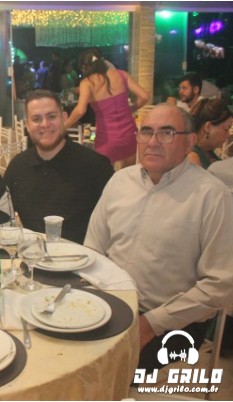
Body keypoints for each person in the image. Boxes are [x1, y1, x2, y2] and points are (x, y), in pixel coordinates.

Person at [85, 104, 233, 372]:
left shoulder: (212, 196)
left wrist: (151, 324)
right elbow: (93, 249)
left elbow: (220, 284)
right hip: (110, 306)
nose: (153, 142)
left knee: (100, 370)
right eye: (146, 132)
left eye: (167, 133)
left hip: (173, 323)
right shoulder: (119, 182)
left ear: (189, 142)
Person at [5, 90, 113, 244]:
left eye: (51, 116)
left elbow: (115, 222)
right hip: (34, 255)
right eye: (36, 119)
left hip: (84, 256)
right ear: (27, 125)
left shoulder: (96, 166)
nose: (45, 124)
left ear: (64, 118)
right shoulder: (17, 168)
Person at [65, 49, 149, 167]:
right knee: (127, 174)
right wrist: (131, 109)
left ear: (84, 67)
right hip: (129, 132)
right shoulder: (122, 74)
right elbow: (145, 96)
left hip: (107, 136)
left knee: (105, 173)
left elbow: (80, 110)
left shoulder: (87, 83)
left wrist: (64, 126)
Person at [187, 98, 232, 169]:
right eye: (226, 129)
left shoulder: (208, 153)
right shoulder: (192, 158)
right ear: (208, 127)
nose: (228, 134)